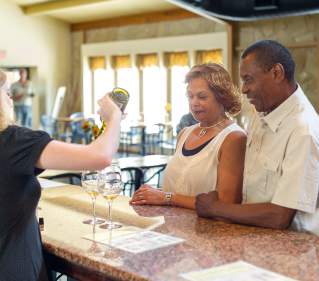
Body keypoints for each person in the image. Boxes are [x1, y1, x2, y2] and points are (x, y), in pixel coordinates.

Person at [0, 69, 122, 281]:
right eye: (6, 92)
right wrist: (114, 117)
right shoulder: (14, 141)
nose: (10, 98)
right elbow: (99, 157)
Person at [196, 40, 319, 235]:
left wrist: (215, 208)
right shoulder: (261, 111)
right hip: (254, 237)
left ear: (276, 73)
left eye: (248, 79)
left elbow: (279, 216)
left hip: (290, 249)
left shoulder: (302, 130)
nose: (243, 89)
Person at [130, 63, 247, 209]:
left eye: (202, 97)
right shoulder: (185, 133)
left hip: (206, 229)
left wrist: (166, 197)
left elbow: (226, 202)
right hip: (171, 226)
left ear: (222, 97)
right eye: (190, 96)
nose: (194, 103)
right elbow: (181, 190)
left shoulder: (233, 138)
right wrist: (152, 194)